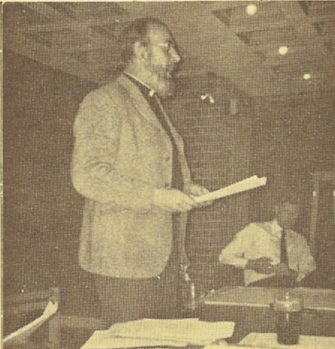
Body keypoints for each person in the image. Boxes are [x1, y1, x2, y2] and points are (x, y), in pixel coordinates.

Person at [71, 17, 209, 326]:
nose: (177, 58)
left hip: (165, 262)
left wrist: (187, 190)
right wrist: (158, 197)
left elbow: (156, 174)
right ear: (139, 50)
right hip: (124, 264)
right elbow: (87, 175)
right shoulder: (104, 101)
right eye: (167, 47)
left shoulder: (153, 105)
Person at [219, 189, 316, 288]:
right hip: (260, 288)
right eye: (286, 211)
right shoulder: (255, 229)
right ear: (276, 209)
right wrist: (252, 264)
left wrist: (292, 273)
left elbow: (309, 269)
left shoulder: (299, 240)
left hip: (291, 289)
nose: (290, 217)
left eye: (295, 213)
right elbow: (224, 256)